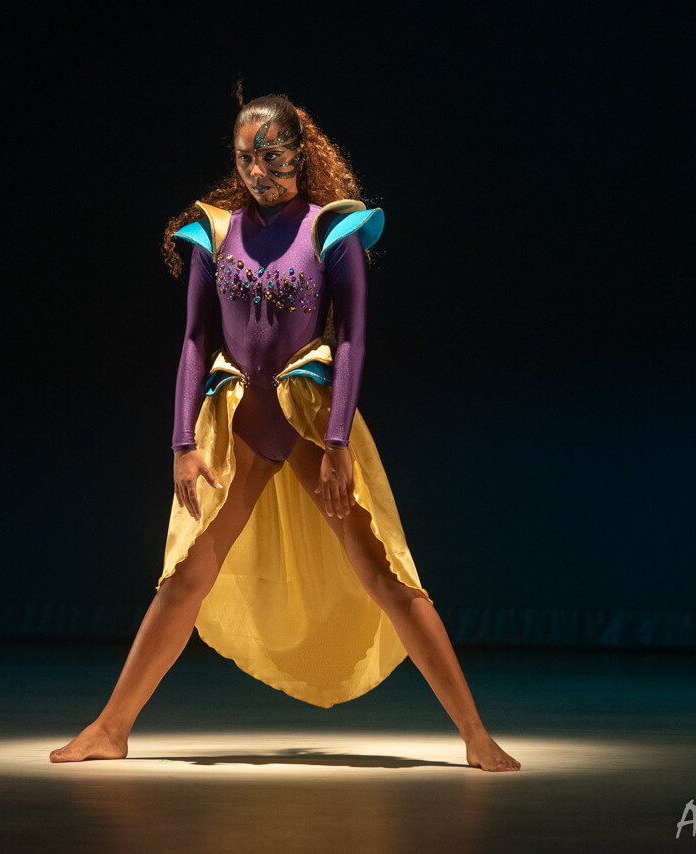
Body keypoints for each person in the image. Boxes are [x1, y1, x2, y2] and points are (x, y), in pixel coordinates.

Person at [50, 93, 519, 772]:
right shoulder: (213, 231)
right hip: (237, 421)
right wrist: (181, 442)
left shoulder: (333, 229)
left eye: (269, 154)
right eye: (244, 156)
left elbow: (354, 340)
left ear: (298, 153)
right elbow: (192, 340)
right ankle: (110, 728)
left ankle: (476, 735)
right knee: (183, 579)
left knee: (386, 574)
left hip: (307, 420)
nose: (256, 169)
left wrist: (336, 445)